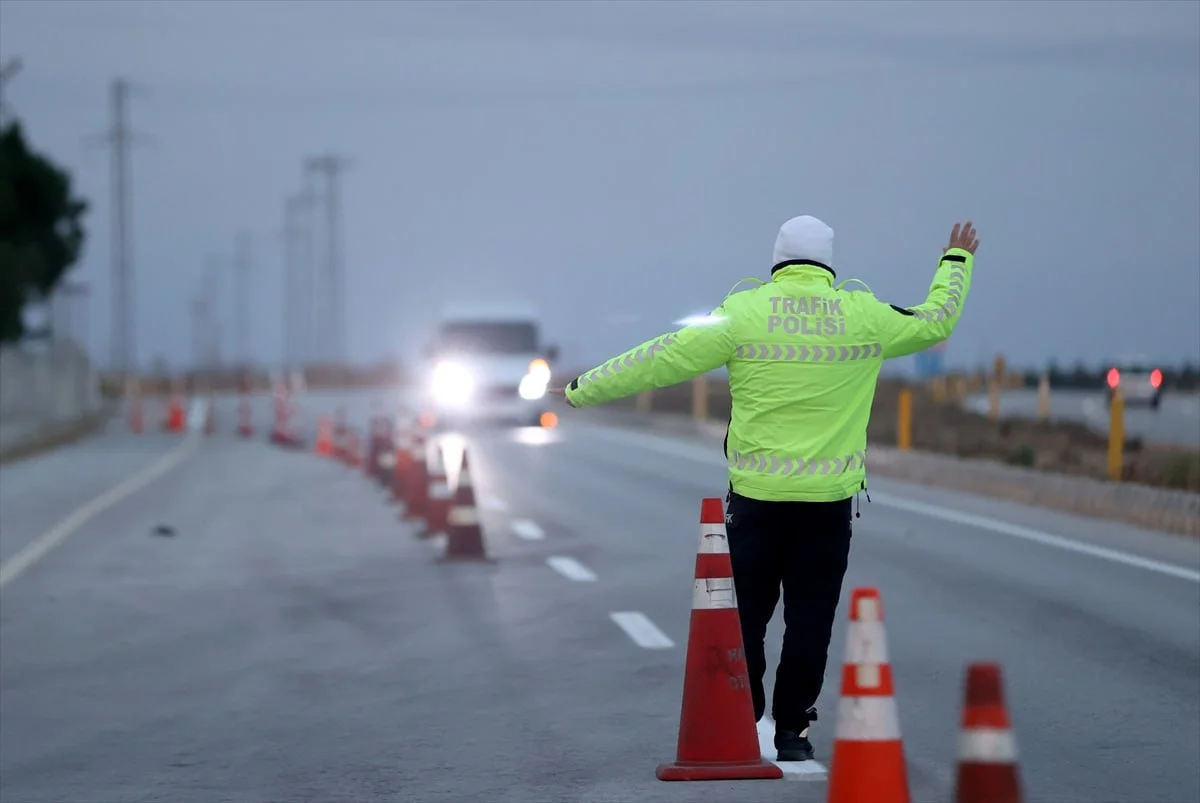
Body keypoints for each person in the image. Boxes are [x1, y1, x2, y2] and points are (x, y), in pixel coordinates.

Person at [551, 216, 979, 761]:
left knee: (745, 615)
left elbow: (660, 357)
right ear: (828, 263)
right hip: (826, 505)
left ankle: (745, 712)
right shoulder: (864, 316)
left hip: (755, 501)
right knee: (811, 619)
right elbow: (935, 321)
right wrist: (955, 262)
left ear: (777, 260)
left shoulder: (743, 314)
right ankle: (793, 731)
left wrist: (582, 388)